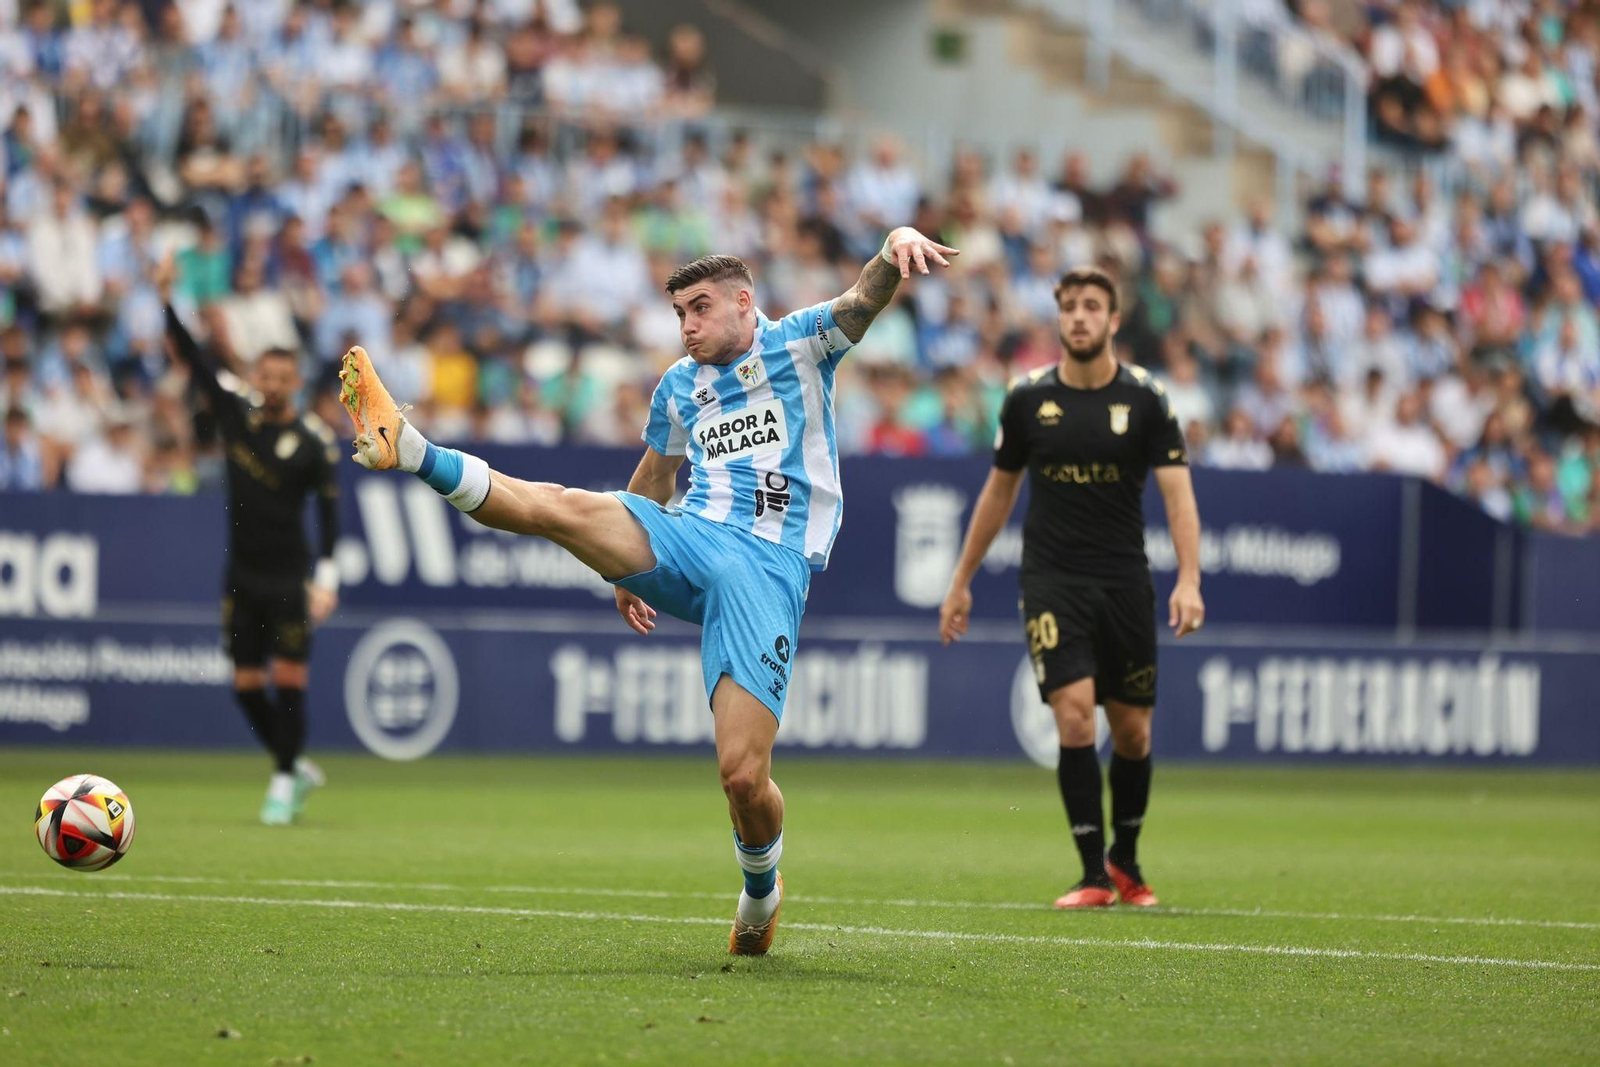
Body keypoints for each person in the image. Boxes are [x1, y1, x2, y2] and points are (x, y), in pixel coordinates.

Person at [338, 227, 958, 954]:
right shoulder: (677, 387)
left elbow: (862, 300)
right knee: (559, 506)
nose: (688, 326)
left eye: (700, 309)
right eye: (679, 314)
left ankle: (762, 885)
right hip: (688, 539)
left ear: (742, 303)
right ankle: (408, 446)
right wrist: (621, 566)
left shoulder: (798, 344)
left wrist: (891, 248)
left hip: (765, 566)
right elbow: (656, 481)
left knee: (742, 777)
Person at [937, 266, 1204, 909]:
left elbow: (1179, 497)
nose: (1080, 317)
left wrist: (1190, 579)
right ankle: (1091, 874)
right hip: (1053, 580)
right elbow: (998, 493)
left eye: (1092, 307)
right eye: (1070, 307)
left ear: (1113, 321)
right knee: (1075, 713)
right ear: (1059, 319)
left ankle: (1126, 860)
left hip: (1125, 582)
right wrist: (961, 581)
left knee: (1134, 732)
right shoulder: (1026, 398)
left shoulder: (1148, 399)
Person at [161, 269, 340, 826]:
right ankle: (293, 764)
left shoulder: (314, 443)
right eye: (267, 373)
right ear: (257, 375)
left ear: (296, 379)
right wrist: (168, 295)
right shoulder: (236, 412)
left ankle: (283, 782)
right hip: (241, 575)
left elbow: (331, 519)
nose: (275, 381)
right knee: (244, 687)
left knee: (288, 681)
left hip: (289, 579)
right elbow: (191, 355)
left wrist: (326, 581)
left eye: (285, 374)